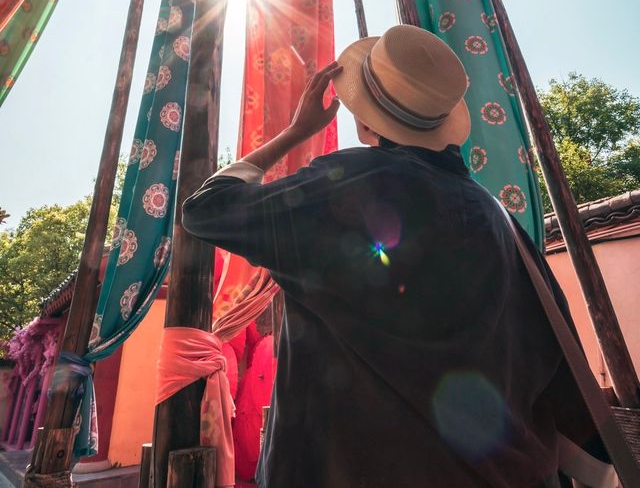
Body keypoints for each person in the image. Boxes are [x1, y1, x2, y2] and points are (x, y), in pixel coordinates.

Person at [182, 25, 602, 487]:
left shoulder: (345, 187)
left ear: (364, 122)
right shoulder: (497, 217)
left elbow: (206, 210)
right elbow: (553, 363)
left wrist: (295, 133)